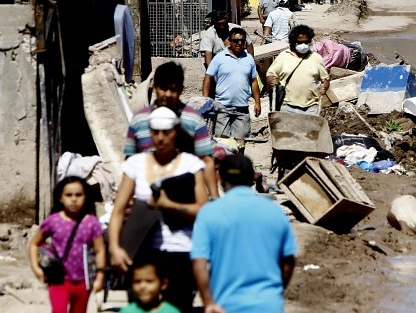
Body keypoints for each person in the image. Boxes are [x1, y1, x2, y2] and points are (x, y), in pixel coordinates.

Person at [110, 106, 208, 313]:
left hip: (182, 251)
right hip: (144, 252)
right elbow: (118, 210)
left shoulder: (191, 165)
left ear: (175, 132)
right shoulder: (135, 164)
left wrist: (168, 205)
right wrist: (115, 248)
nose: (160, 138)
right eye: (155, 132)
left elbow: (203, 210)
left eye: (166, 132)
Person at [191, 154, 296, 313]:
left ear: (220, 180)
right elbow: (288, 262)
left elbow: (199, 263)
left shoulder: (209, 213)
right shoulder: (274, 212)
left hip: (225, 306)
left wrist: (208, 302)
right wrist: (275, 293)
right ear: (251, 180)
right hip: (269, 305)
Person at [124, 61, 219, 199]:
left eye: (173, 89)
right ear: (155, 88)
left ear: (181, 90)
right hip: (146, 195)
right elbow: (129, 159)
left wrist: (214, 197)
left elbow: (206, 160)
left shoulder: (193, 120)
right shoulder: (139, 119)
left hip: (184, 196)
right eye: (163, 88)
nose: (168, 94)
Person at [28, 176, 106, 313]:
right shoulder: (53, 221)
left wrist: (99, 277)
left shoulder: (91, 223)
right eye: (69, 195)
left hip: (83, 281)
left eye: (78, 195)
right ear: (60, 198)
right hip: (58, 279)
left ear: (86, 197)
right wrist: (36, 268)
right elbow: (34, 243)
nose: (74, 199)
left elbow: (100, 250)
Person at [202, 28, 261, 139]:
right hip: (222, 108)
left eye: (242, 41)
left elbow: (253, 81)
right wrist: (205, 100)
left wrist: (257, 102)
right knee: (222, 142)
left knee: (240, 143)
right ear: (229, 41)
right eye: (236, 40)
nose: (239, 43)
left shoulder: (249, 59)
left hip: (242, 109)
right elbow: (208, 77)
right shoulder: (219, 58)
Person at [266, 25, 330, 115]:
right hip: (287, 106)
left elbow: (325, 79)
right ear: (293, 42)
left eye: (306, 42)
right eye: (300, 43)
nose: (303, 45)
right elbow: (270, 74)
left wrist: (325, 87)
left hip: (311, 108)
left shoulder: (316, 58)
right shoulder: (283, 56)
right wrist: (271, 80)